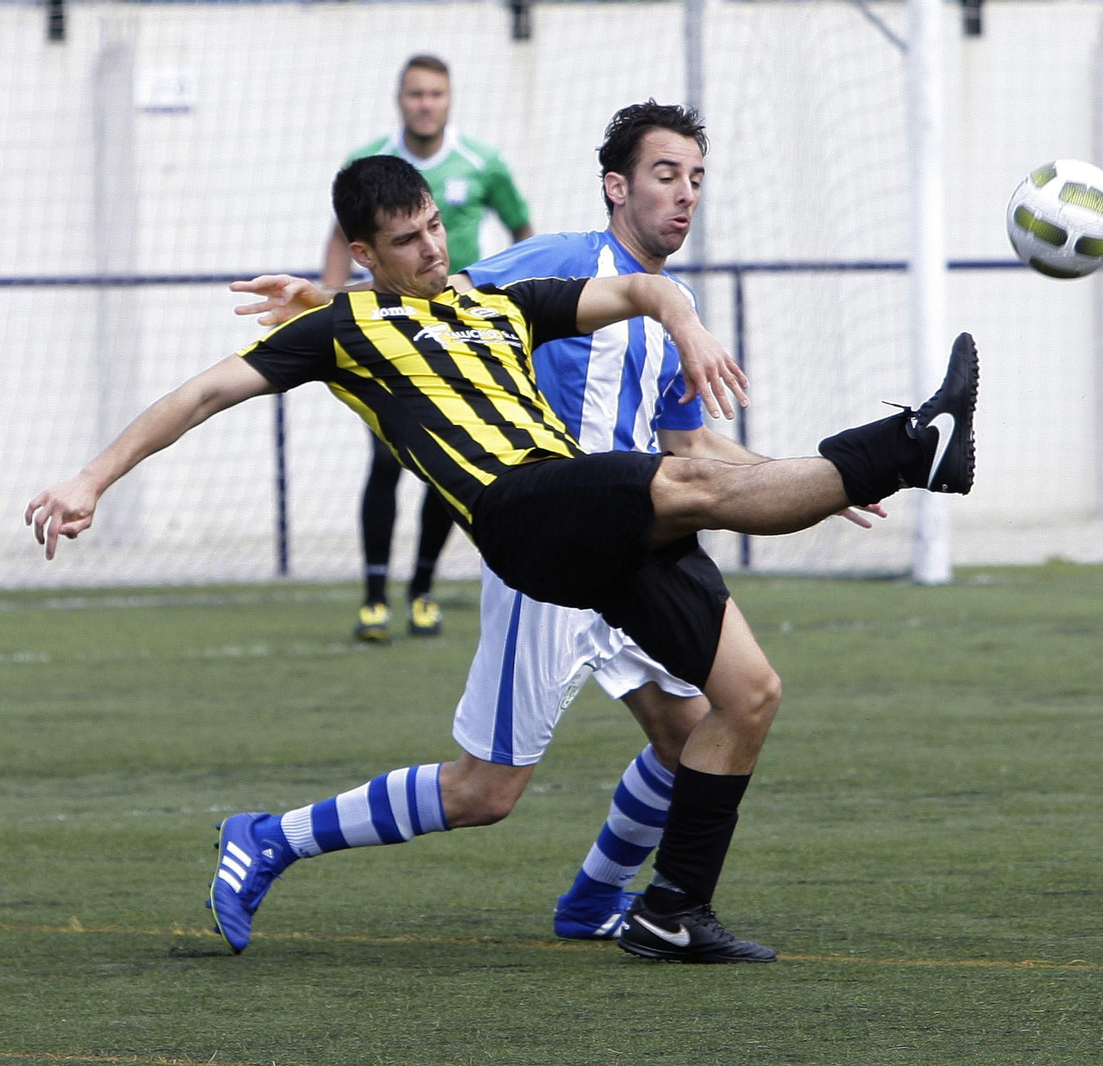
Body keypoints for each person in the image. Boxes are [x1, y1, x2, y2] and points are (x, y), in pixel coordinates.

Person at [26, 152, 979, 963]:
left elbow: (637, 287)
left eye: (437, 227)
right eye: (407, 241)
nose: (435, 249)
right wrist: (91, 479)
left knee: (745, 696)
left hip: (589, 518)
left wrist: (682, 319)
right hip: (522, 514)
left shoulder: (498, 304)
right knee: (677, 497)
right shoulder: (343, 331)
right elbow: (199, 396)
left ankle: (673, 910)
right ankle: (910, 444)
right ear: (365, 254)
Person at [229, 101, 883, 945]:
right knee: (485, 792)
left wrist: (807, 481)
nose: (684, 196)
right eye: (663, 175)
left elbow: (686, 438)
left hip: (637, 549)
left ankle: (597, 901)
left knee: (700, 732)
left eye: (696, 179)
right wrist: (332, 301)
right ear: (615, 187)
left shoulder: (667, 302)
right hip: (554, 549)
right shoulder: (561, 263)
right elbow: (436, 297)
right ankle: (272, 838)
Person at [326, 54, 535, 642]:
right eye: (416, 94)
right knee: (385, 460)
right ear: (401, 100)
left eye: (436, 94)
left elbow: (524, 231)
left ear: (449, 100)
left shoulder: (482, 163)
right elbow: (342, 241)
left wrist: (506, 296)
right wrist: (335, 303)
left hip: (459, 330)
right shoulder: (371, 165)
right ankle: (373, 596)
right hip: (393, 326)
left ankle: (421, 590)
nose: (426, 104)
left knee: (453, 461)